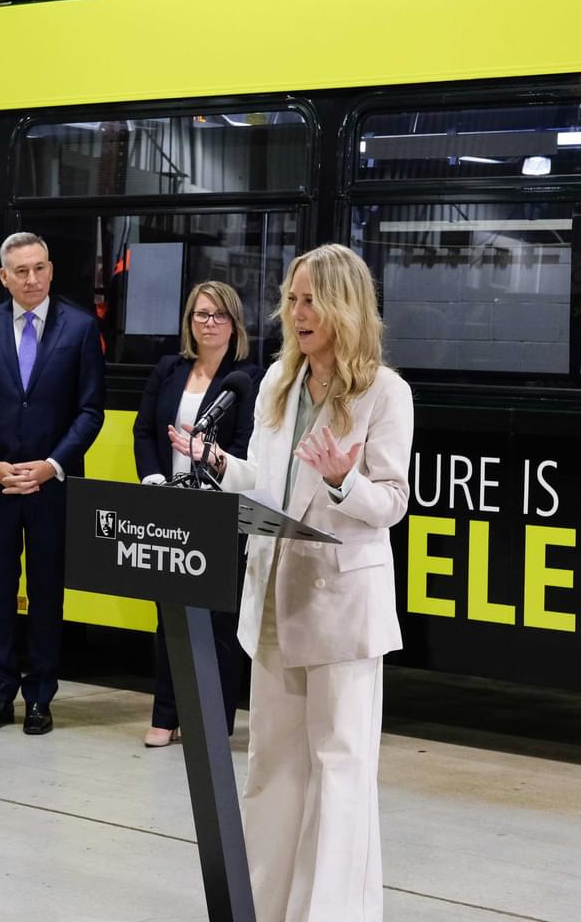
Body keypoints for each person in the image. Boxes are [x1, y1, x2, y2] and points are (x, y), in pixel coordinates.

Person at [170, 244, 412, 922]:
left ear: (342, 304)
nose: (296, 313)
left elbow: (390, 502)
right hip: (273, 597)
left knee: (339, 771)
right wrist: (218, 464)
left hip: (342, 611)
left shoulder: (384, 393)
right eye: (292, 300)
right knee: (273, 768)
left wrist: (343, 478)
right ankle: (265, 907)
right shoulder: (279, 381)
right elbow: (263, 484)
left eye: (309, 300)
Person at [0, 232, 105, 736]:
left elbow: (89, 411)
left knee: (46, 594)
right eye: (21, 271)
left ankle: (40, 696)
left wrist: (51, 465)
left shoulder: (81, 328)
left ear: (51, 269)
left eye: (39, 268)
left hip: (51, 487)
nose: (32, 278)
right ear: (4, 277)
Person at [132, 280, 257, 748]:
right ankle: (165, 714)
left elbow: (247, 448)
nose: (210, 323)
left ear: (234, 323)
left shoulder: (249, 379)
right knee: (170, 618)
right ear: (189, 321)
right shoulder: (168, 369)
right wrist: (154, 481)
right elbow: (144, 432)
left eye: (219, 315)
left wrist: (210, 463)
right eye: (201, 314)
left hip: (219, 512)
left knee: (219, 623)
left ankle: (212, 723)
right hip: (170, 507)